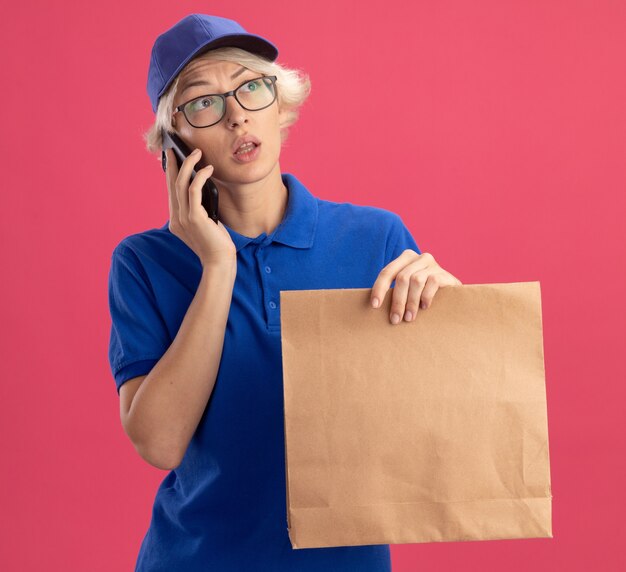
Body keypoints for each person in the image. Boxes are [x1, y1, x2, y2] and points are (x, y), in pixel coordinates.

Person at [107, 13, 462, 572]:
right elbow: (160, 444)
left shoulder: (377, 240)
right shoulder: (144, 262)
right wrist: (217, 265)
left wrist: (455, 318)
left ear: (280, 104)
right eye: (204, 102)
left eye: (251, 87)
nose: (237, 116)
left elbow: (434, 424)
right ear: (173, 144)